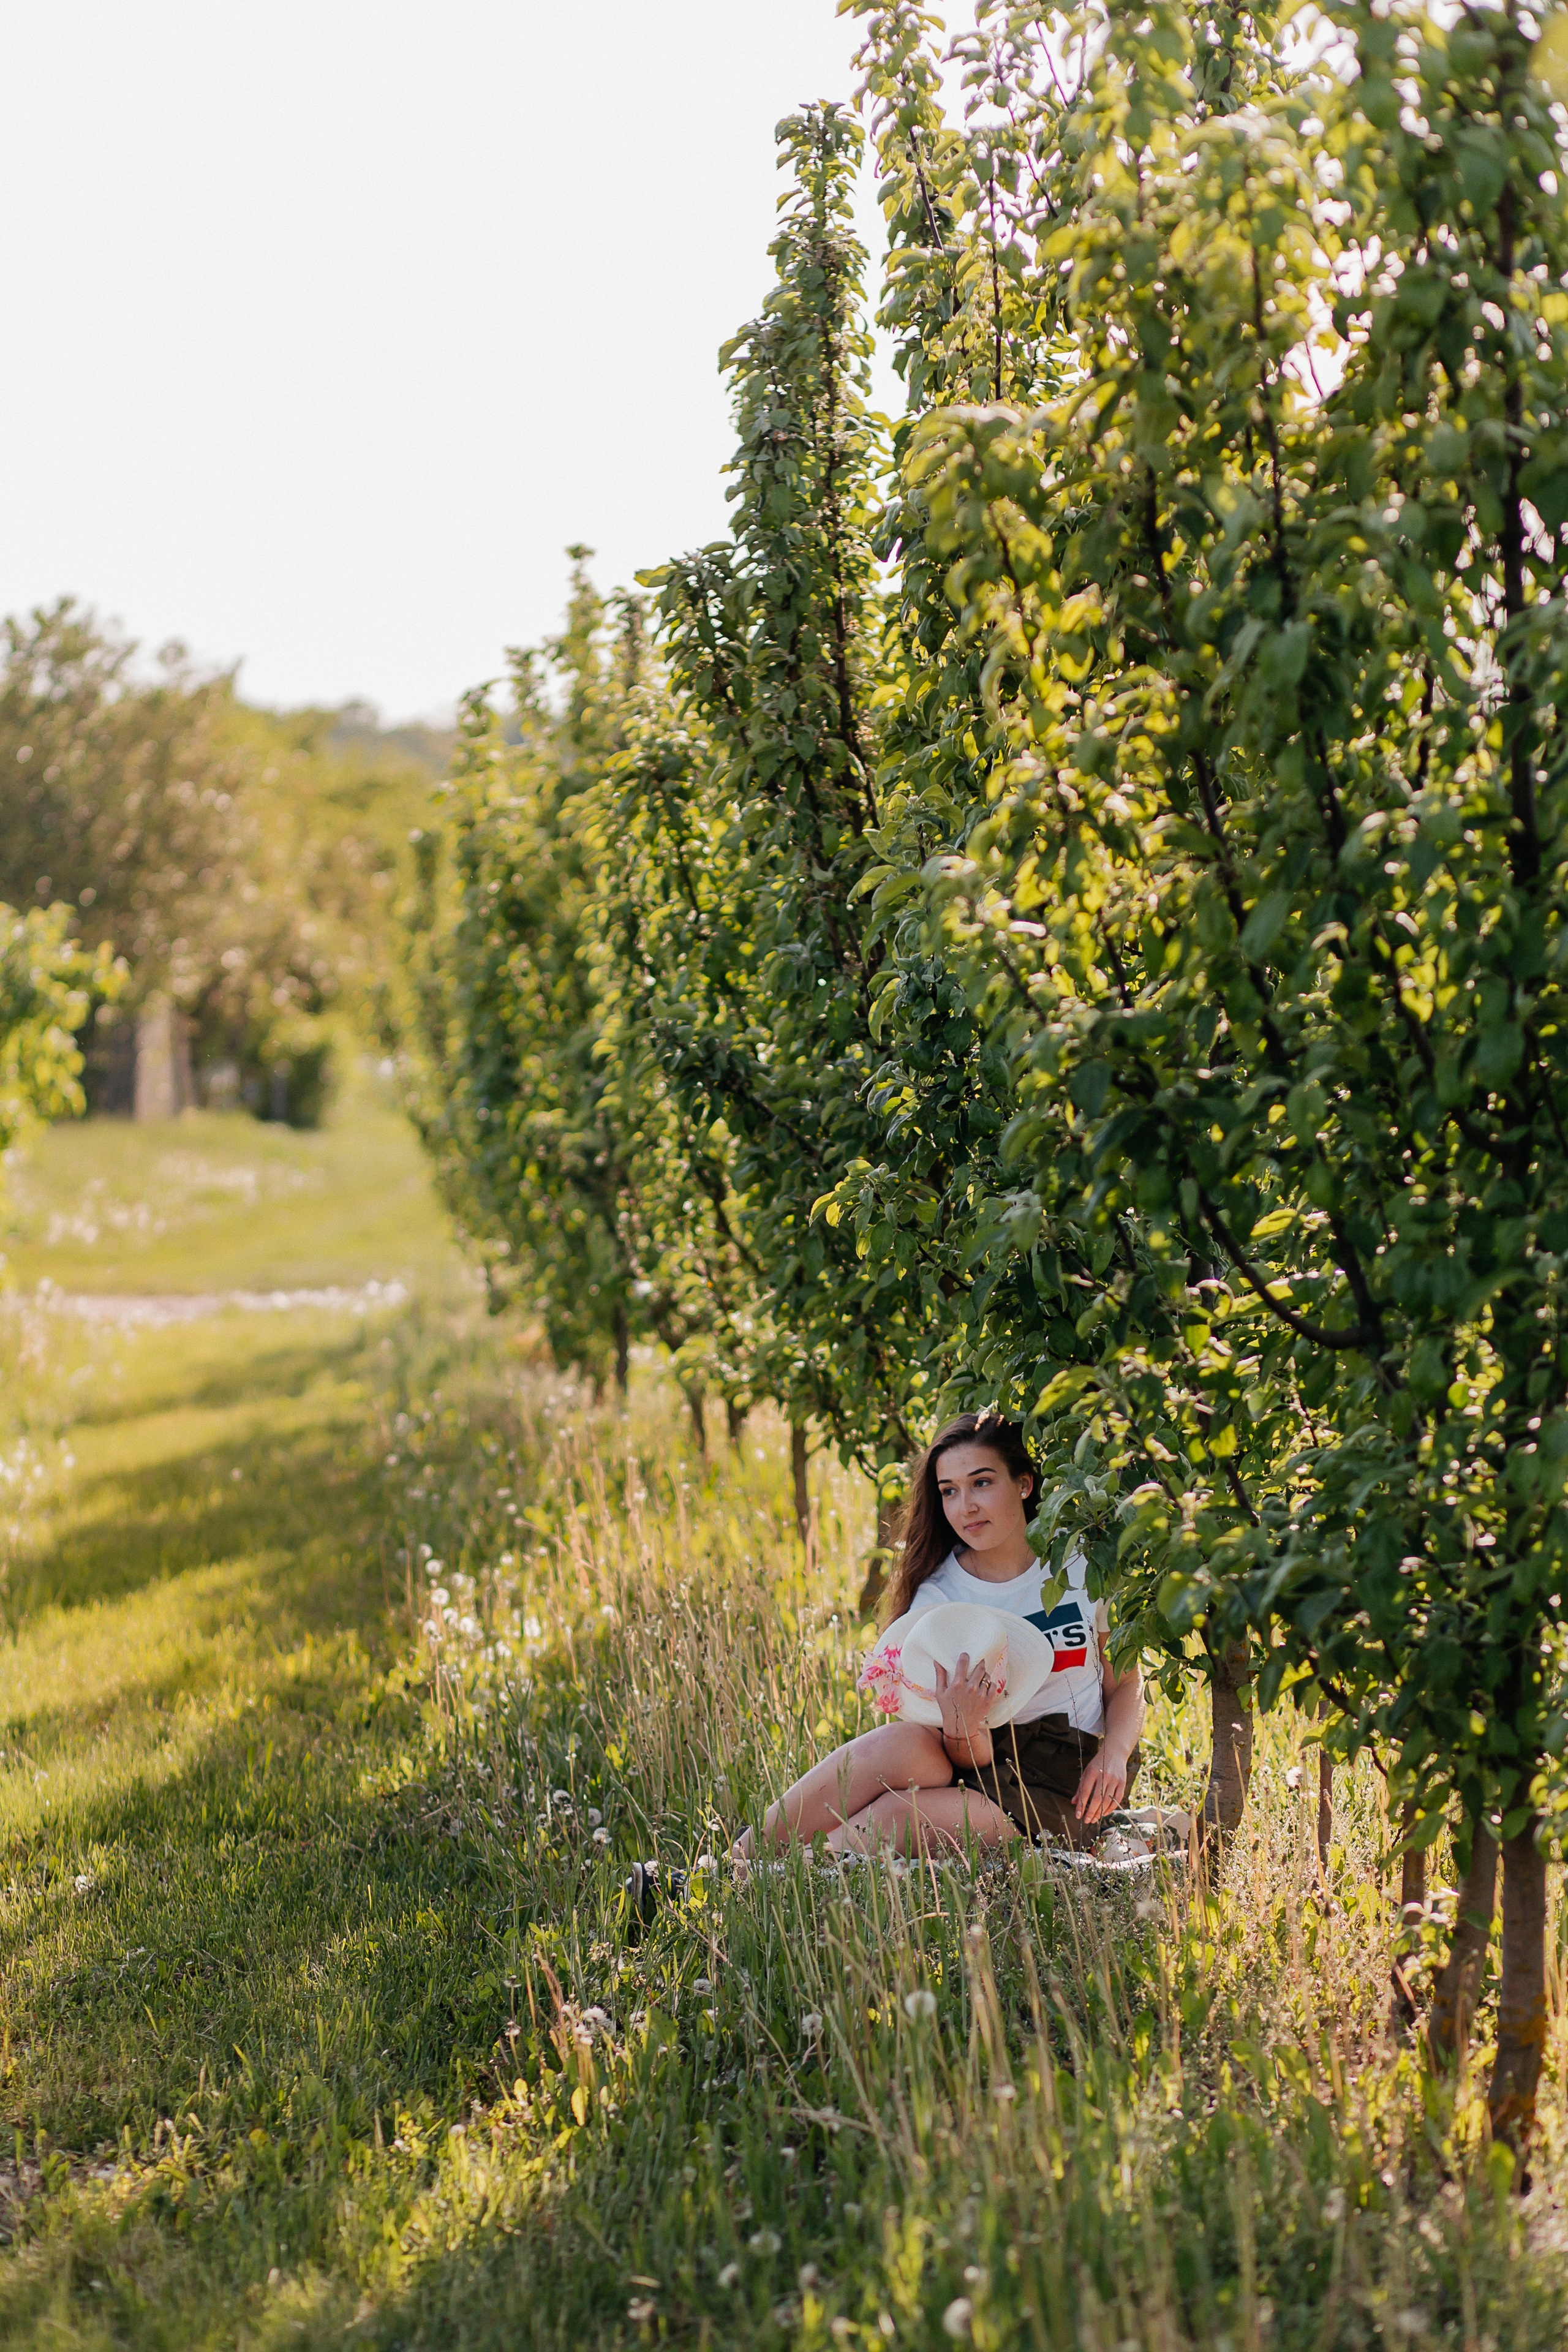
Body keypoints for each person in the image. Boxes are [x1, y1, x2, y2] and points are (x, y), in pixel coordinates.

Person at [733, 1411, 1144, 1863]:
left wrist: (1116, 1755)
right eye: (949, 1491)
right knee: (898, 1743)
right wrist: (964, 1723)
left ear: (1025, 1484)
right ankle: (733, 1861)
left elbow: (1124, 1682)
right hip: (979, 1756)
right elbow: (967, 1757)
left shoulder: (1080, 1564)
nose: (964, 1506)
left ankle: (757, 1878)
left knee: (896, 1818)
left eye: (982, 1483)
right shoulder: (940, 1599)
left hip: (1066, 1777)